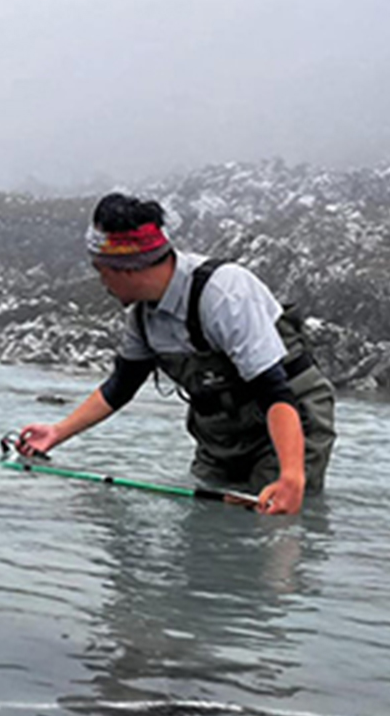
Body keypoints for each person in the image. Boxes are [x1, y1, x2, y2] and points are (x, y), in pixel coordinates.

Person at [17, 193, 336, 516]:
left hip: (290, 421)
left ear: (126, 269)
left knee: (274, 518)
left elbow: (275, 391)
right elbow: (121, 387)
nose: (102, 283)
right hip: (221, 435)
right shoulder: (142, 318)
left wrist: (291, 476)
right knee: (205, 522)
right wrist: (57, 433)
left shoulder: (224, 293)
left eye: (102, 271)